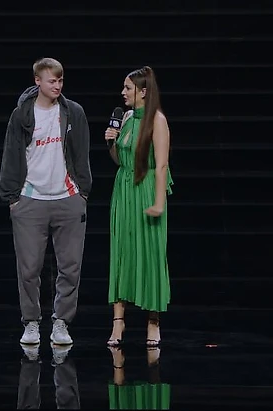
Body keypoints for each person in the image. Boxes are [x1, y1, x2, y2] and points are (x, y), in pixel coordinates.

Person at [0, 57, 92, 346]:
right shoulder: (21, 115)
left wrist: (83, 192)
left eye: (61, 80)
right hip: (30, 199)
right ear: (37, 81)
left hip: (68, 198)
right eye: (52, 80)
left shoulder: (73, 112)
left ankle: (61, 322)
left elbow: (82, 152)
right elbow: (11, 153)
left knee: (70, 267)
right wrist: (12, 198)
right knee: (29, 269)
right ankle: (31, 322)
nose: (58, 86)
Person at [104, 66, 173, 347]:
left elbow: (162, 165)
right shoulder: (127, 118)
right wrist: (111, 143)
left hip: (146, 190)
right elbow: (121, 160)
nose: (123, 92)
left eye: (128, 88)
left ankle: (153, 321)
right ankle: (118, 322)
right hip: (123, 190)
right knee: (122, 254)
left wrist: (158, 203)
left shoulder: (157, 121)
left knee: (150, 254)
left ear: (143, 92)